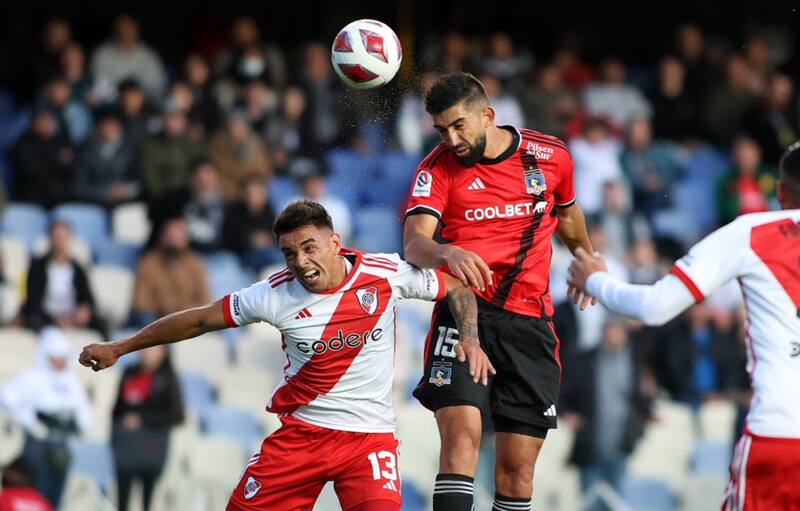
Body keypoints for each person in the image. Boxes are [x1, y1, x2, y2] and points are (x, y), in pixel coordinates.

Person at [79, 200, 494, 511]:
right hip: (301, 437)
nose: (301, 261)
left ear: (335, 243)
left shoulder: (384, 273)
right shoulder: (273, 293)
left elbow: (456, 288)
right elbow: (200, 321)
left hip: (368, 441)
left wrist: (470, 338)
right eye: (290, 253)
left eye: (310, 248)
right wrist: (120, 347)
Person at [403, 72, 599, 511]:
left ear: (487, 115)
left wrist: (587, 257)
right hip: (463, 311)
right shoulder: (436, 169)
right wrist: (446, 253)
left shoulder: (549, 157)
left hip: (530, 322)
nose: (450, 139)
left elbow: (566, 216)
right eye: (440, 130)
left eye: (459, 126)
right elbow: (415, 242)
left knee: (517, 473)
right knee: (461, 441)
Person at [567, 142, 800, 510]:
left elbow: (656, 307)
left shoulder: (751, 232)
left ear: (781, 191)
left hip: (781, 436)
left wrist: (595, 280)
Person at [0, 327, 93, 508]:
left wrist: (82, 426)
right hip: (38, 443)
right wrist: (30, 422)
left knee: (55, 495)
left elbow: (83, 411)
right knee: (37, 493)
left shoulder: (70, 381)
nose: (57, 363)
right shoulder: (33, 377)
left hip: (61, 443)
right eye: (54, 358)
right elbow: (7, 398)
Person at [111, 345, 183, 511]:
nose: (145, 353)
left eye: (152, 349)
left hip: (152, 445)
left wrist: (142, 419)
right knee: (123, 494)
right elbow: (117, 409)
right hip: (127, 445)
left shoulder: (168, 378)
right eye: (144, 349)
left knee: (148, 497)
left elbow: (176, 415)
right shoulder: (130, 372)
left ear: (163, 353)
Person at [22, 220, 105, 336]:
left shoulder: (78, 269)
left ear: (70, 239)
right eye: (56, 238)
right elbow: (33, 301)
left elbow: (88, 298)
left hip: (73, 316)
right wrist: (55, 319)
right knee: (32, 319)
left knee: (101, 322)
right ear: (49, 239)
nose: (59, 242)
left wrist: (84, 311)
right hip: (45, 317)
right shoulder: (37, 268)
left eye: (63, 238)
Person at [131, 217, 210, 326]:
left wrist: (185, 309)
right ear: (163, 237)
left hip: (188, 321)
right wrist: (162, 307)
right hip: (156, 322)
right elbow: (140, 303)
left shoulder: (195, 264)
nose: (175, 238)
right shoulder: (149, 263)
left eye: (180, 233)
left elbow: (205, 300)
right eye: (172, 234)